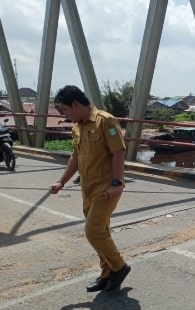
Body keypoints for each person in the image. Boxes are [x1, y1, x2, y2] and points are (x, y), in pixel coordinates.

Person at [49, 85, 131, 292]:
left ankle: (119, 267)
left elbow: (119, 152)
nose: (65, 114)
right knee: (101, 232)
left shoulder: (105, 121)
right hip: (88, 188)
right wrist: (62, 181)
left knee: (93, 231)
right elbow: (75, 158)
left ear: (76, 104)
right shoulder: (77, 127)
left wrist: (116, 183)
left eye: (65, 110)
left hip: (106, 188)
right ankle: (107, 273)